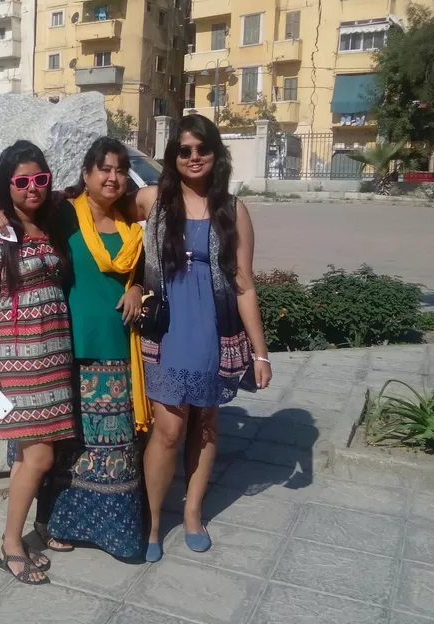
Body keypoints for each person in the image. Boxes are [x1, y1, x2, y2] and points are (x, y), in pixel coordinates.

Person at [0, 137, 147, 561]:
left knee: (99, 451)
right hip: (48, 356)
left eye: (120, 170)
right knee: (52, 454)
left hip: (95, 350)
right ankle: (29, 534)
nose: (113, 177)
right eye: (104, 169)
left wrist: (139, 287)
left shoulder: (125, 218)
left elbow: (161, 208)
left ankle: (94, 531)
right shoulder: (58, 214)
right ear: (85, 174)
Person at [133, 114, 271, 562]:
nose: (194, 157)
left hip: (213, 331)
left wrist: (261, 353)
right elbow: (97, 211)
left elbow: (244, 285)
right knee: (169, 429)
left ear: (216, 154)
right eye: (184, 150)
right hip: (166, 331)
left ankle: (193, 512)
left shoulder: (233, 210)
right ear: (173, 156)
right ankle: (154, 521)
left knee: (206, 423)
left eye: (202, 149)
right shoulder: (151, 200)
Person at [0, 141, 76, 585]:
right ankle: (12, 544)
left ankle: (16, 535)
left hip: (55, 357)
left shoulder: (49, 223)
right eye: (21, 181)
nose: (32, 187)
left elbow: (86, 190)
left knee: (26, 457)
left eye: (40, 179)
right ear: (7, 185)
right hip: (21, 364)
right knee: (40, 456)